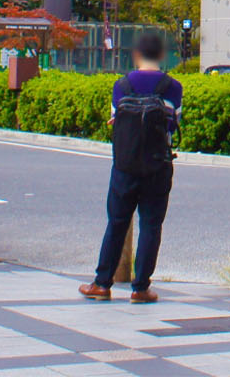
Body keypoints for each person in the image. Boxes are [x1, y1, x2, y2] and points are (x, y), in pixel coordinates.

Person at [80, 33, 182, 304]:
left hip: (124, 166)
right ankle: (140, 288)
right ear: (160, 55)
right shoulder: (173, 87)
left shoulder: (122, 85)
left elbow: (116, 121)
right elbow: (172, 124)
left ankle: (102, 284)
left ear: (137, 55)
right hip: (158, 165)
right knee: (150, 225)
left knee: (116, 223)